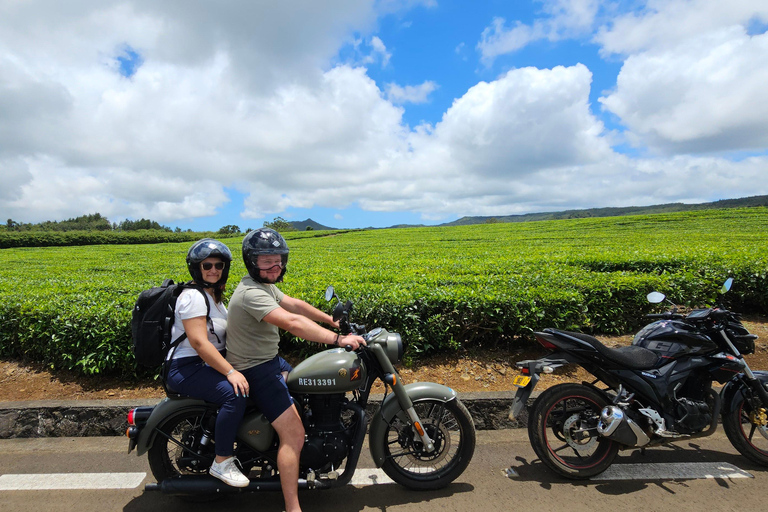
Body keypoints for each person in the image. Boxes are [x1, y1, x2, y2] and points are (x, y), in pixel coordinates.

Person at [226, 228, 366, 512]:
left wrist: (332, 321)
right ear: (251, 261)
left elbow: (295, 305)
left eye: (278, 259)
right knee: (294, 435)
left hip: (269, 361)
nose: (274, 266)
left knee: (306, 396)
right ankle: (292, 507)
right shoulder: (251, 293)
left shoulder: (266, 286)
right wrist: (339, 340)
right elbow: (291, 322)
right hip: (256, 369)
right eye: (266, 260)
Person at [164, 238, 251, 488]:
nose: (214, 270)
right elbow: (200, 344)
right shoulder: (193, 297)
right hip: (186, 367)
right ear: (196, 268)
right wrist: (231, 372)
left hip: (205, 364)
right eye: (207, 265)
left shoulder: (213, 296)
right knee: (235, 395)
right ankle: (222, 460)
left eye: (219, 265)